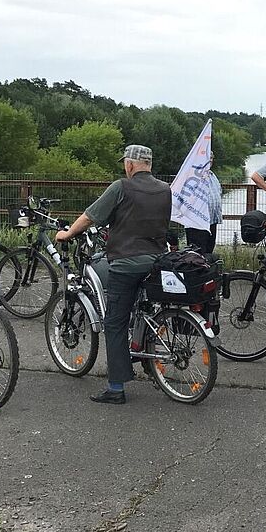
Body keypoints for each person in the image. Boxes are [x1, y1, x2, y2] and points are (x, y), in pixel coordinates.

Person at [56, 145, 171, 404]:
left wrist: (68, 233)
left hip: (126, 262)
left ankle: (116, 387)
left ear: (130, 165)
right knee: (141, 308)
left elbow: (90, 216)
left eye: (125, 163)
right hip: (156, 260)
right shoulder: (165, 189)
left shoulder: (121, 187)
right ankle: (142, 350)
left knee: (114, 322)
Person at [184, 150, 223, 255]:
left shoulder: (212, 175)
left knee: (209, 251)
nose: (209, 161)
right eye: (207, 158)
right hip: (197, 223)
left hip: (212, 220)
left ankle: (208, 270)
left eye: (211, 158)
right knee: (197, 253)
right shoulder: (192, 176)